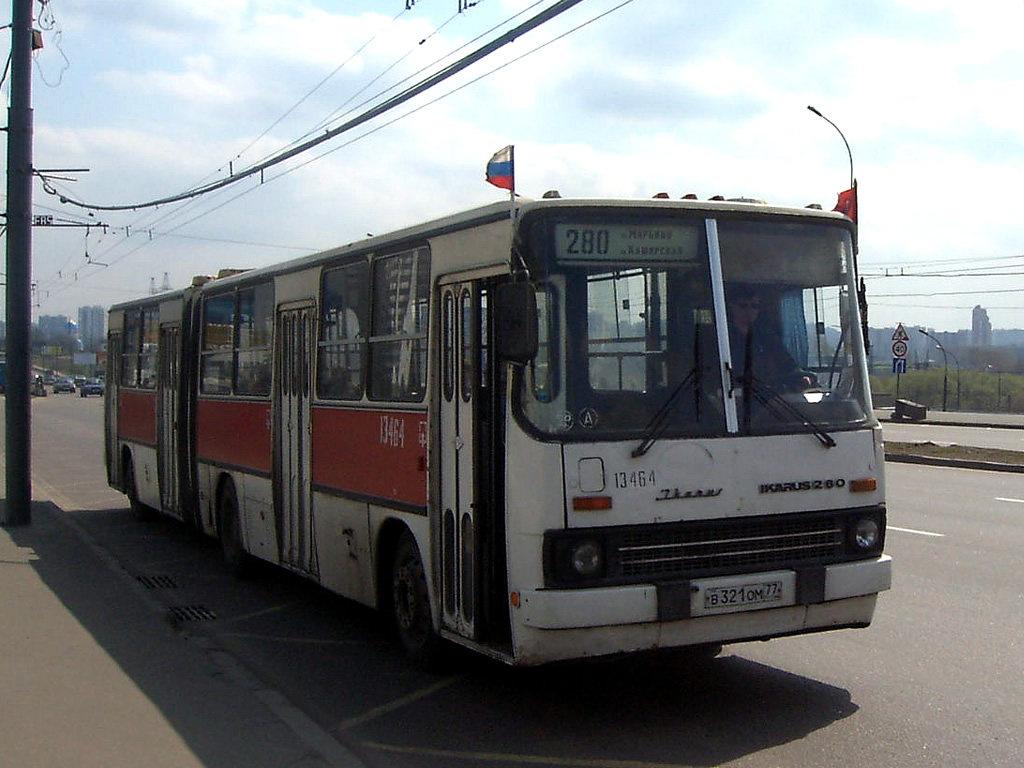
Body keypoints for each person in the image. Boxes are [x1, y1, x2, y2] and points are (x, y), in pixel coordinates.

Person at [726, 284, 817, 392]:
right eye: (743, 306)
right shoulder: (723, 337)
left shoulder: (766, 336)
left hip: (769, 399)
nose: (749, 310)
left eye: (754, 306)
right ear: (732, 306)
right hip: (734, 396)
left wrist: (802, 377)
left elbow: (788, 364)